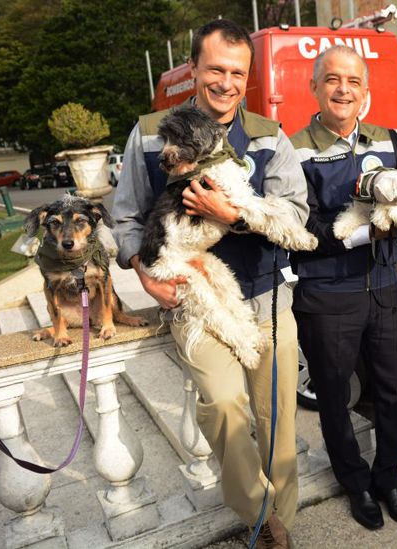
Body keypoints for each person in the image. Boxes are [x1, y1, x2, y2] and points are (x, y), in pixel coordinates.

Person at [112, 19, 309, 549]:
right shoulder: (151, 131)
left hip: (268, 291)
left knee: (277, 414)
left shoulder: (270, 135)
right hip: (191, 295)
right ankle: (259, 512)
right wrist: (145, 275)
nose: (226, 82)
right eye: (215, 69)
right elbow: (126, 216)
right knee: (222, 404)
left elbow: (295, 211)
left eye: (237, 72)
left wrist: (234, 215)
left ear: (249, 77)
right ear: (194, 70)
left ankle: (282, 520)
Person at [289, 45, 397, 531]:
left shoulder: (386, 140)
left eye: (353, 81)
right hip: (327, 296)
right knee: (334, 397)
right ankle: (356, 484)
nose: (343, 89)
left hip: (385, 288)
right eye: (332, 79)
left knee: (395, 392)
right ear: (314, 87)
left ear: (365, 90)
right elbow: (301, 234)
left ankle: (388, 478)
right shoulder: (295, 149)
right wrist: (370, 231)